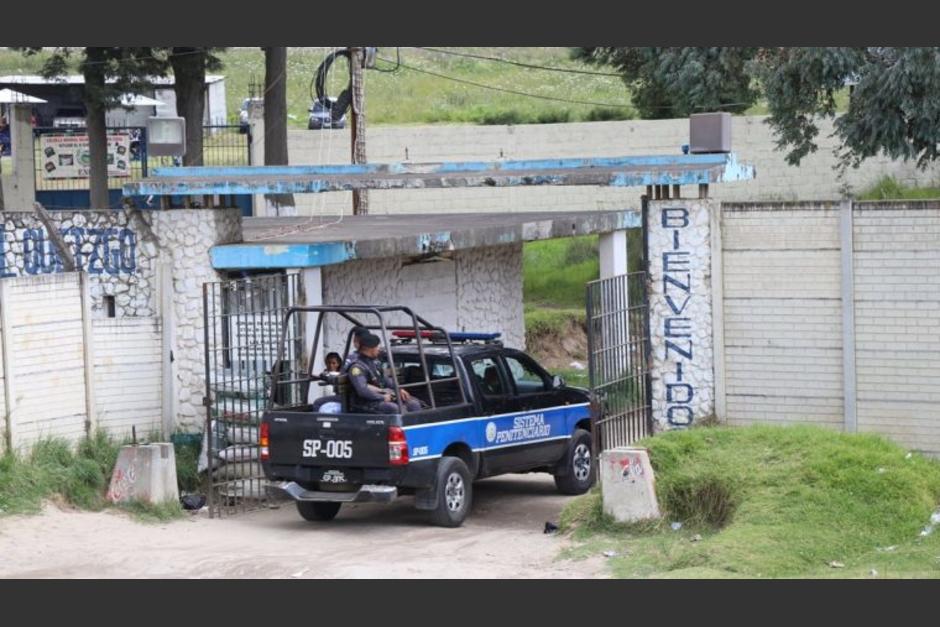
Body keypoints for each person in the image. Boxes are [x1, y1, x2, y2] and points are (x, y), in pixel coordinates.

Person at [344, 333, 421, 414]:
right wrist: (382, 397)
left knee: (413, 404)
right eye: (377, 347)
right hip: (364, 402)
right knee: (394, 408)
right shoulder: (357, 367)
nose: (379, 349)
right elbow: (362, 390)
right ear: (369, 349)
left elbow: (385, 380)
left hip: (380, 396)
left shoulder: (374, 363)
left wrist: (398, 389)